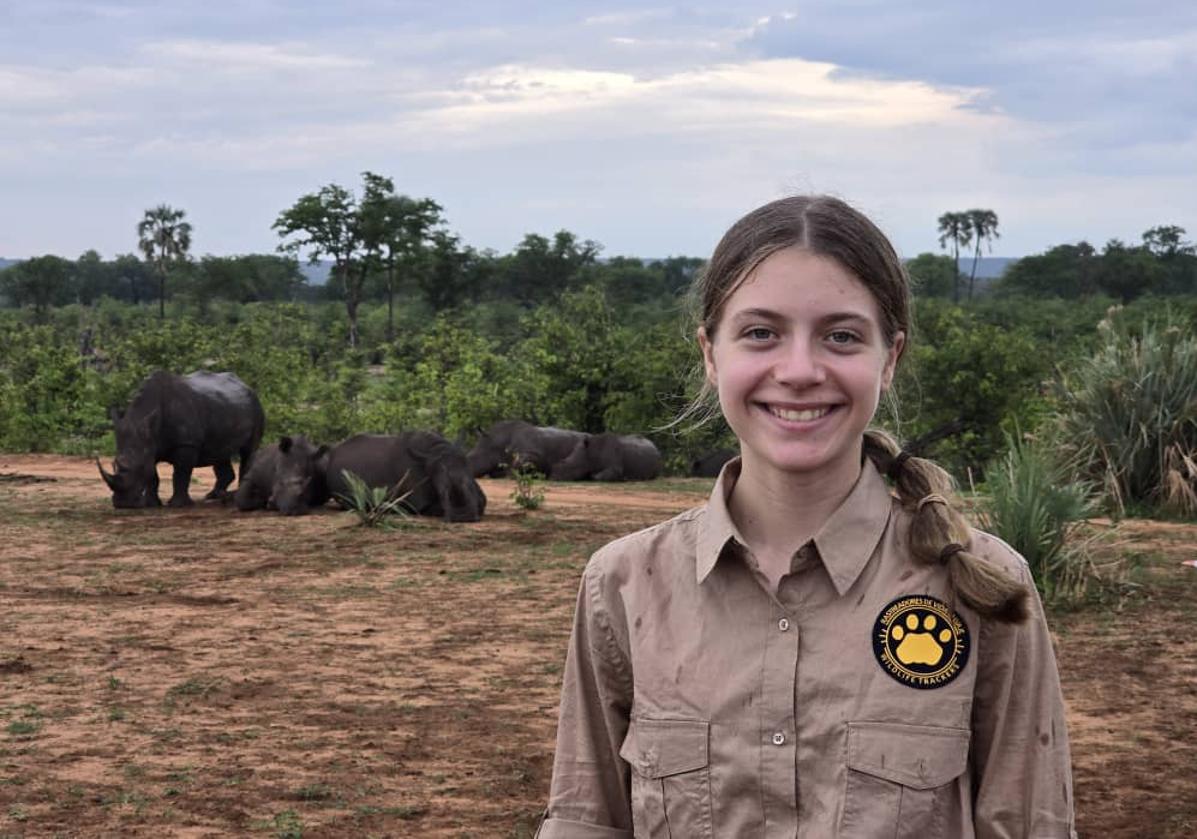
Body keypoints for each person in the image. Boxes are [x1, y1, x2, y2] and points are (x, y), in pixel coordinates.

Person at [536, 195, 1077, 838]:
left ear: (890, 358)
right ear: (711, 355)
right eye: (761, 333)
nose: (798, 371)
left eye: (842, 336)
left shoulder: (983, 582)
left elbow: (1029, 825)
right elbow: (585, 822)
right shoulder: (623, 584)